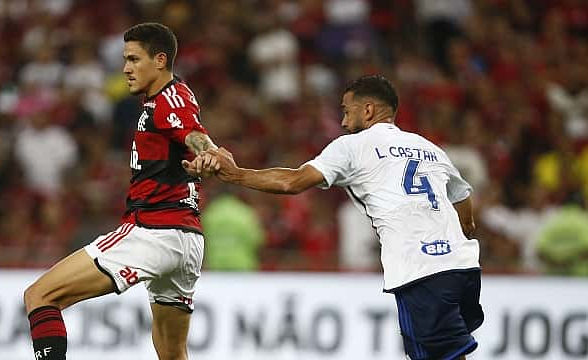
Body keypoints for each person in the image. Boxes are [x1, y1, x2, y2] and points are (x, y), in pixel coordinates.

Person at [185, 75, 484, 360]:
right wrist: (463, 231)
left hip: (421, 270)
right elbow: (462, 196)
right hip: (465, 267)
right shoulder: (428, 148)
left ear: (368, 110)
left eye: (346, 111)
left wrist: (237, 175)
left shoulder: (353, 146)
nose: (342, 121)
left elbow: (293, 182)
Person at [24, 23, 217, 360]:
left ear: (160, 60)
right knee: (173, 353)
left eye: (133, 59)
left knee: (40, 296)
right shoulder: (175, 97)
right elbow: (188, 131)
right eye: (124, 59)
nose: (126, 68)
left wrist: (207, 150)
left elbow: (193, 135)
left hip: (153, 231)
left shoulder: (167, 102)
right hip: (187, 239)